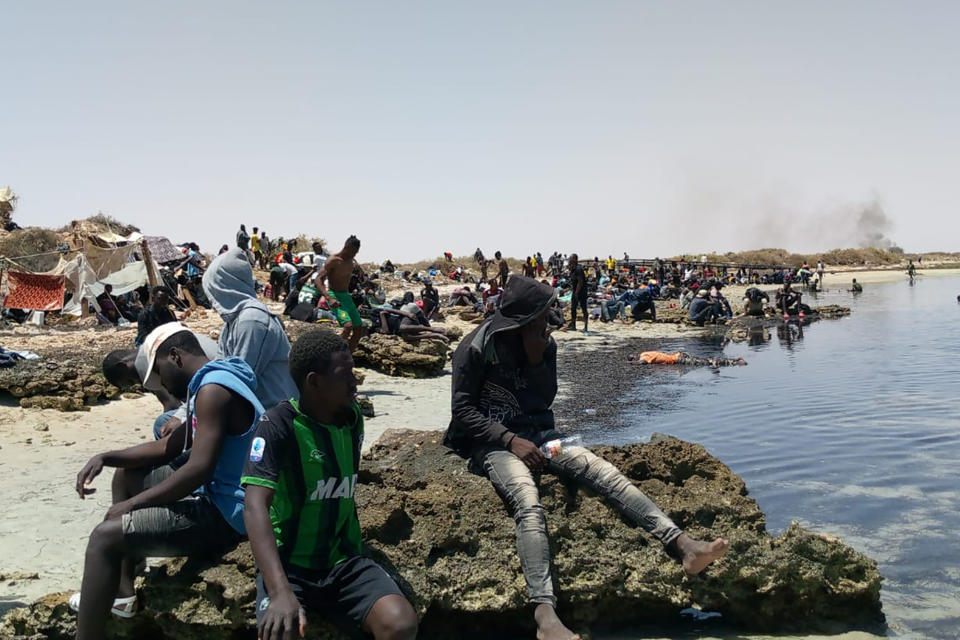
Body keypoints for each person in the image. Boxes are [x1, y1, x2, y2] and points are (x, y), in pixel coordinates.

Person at [444, 277, 728, 640]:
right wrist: (509, 439)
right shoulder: (475, 346)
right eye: (544, 315)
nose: (550, 321)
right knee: (528, 502)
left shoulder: (545, 344)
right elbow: (463, 410)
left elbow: (545, 400)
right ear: (528, 318)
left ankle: (683, 545)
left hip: (544, 438)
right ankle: (546, 617)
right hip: (492, 444)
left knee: (602, 471)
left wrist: (535, 359)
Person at [71, 325, 264, 640]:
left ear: (175, 356)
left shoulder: (213, 391)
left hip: (230, 514)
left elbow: (198, 470)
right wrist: (107, 457)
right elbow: (168, 447)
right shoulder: (215, 379)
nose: (159, 383)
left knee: (104, 538)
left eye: (159, 371)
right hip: (217, 493)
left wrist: (131, 505)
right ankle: (123, 593)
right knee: (128, 475)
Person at [242, 330, 417, 640]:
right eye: (345, 373)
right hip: (291, 566)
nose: (355, 381)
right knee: (281, 631)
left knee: (400, 624)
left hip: (343, 560)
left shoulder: (352, 419)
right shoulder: (277, 426)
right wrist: (280, 591)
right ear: (314, 382)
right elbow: (255, 505)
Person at [202, 247, 299, 408]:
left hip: (272, 413)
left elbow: (237, 382)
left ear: (223, 287)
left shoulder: (252, 321)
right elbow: (219, 367)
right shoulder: (233, 322)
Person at [314, 235, 366, 352]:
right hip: (334, 295)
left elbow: (359, 274)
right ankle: (333, 353)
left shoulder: (351, 261)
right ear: (347, 247)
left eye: (357, 252)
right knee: (348, 326)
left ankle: (348, 357)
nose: (355, 254)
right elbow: (318, 279)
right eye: (354, 252)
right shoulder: (333, 260)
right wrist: (329, 298)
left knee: (359, 329)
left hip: (346, 296)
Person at [628, 351, 747, 367]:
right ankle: (734, 360)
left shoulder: (644, 356)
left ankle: (734, 362)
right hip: (678, 355)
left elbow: (642, 363)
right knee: (703, 361)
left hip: (677, 359)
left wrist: (631, 364)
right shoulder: (646, 352)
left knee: (705, 363)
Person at [566, 254, 589, 332]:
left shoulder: (578, 269)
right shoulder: (572, 269)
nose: (569, 260)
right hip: (575, 291)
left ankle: (586, 326)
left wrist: (576, 292)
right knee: (573, 308)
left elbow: (580, 282)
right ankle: (573, 325)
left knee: (584, 308)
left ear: (574, 260)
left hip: (581, 292)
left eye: (570, 258)